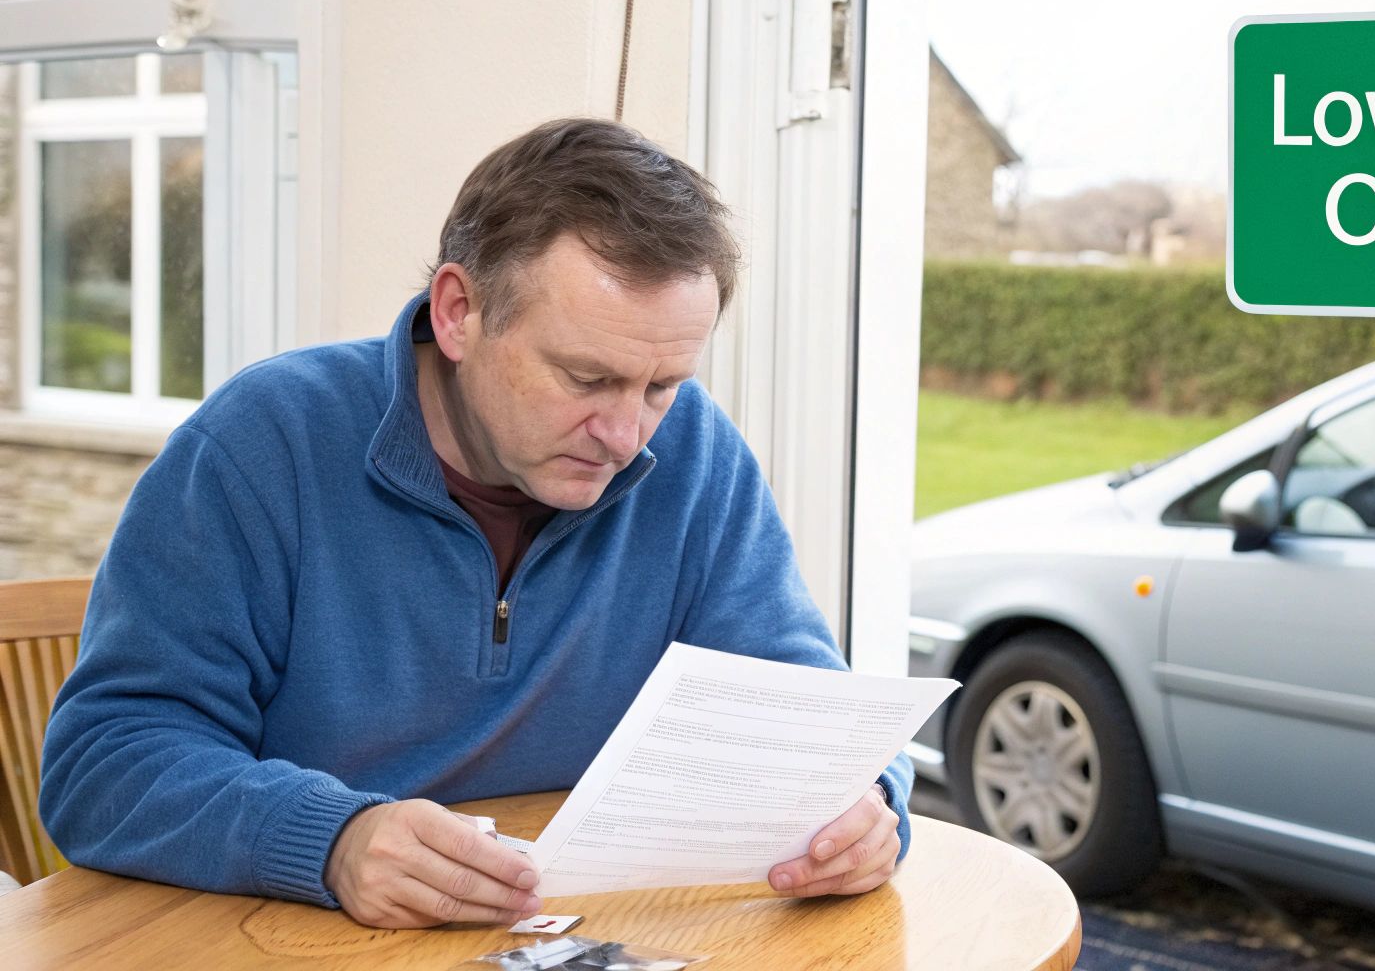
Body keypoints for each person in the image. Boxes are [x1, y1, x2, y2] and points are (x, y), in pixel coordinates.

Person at [39, 118, 914, 929]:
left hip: (574, 933)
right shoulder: (263, 445)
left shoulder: (694, 455)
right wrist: (332, 840)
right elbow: (104, 762)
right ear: (459, 312)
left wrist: (867, 804)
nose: (626, 434)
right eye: (585, 378)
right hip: (293, 939)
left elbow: (817, 711)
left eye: (660, 385)